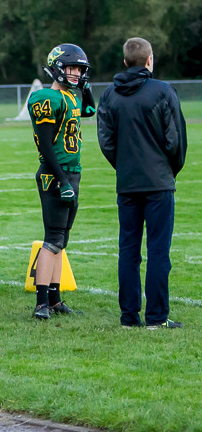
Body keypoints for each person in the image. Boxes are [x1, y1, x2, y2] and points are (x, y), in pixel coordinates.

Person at [97, 37, 187, 329]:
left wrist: (124, 166)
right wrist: (168, 170)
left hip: (128, 183)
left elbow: (106, 142)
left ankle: (129, 317)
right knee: (159, 251)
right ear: (150, 60)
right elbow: (176, 140)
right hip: (158, 182)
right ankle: (157, 317)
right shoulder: (163, 90)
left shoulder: (109, 95)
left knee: (129, 251)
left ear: (125, 62)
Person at [27, 43, 95, 320]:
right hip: (55, 173)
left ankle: (54, 300)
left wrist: (87, 89)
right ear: (56, 68)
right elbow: (45, 145)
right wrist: (62, 180)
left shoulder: (70, 97)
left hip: (71, 172)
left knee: (61, 240)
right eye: (71, 68)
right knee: (52, 239)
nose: (76, 73)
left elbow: (90, 111)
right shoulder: (47, 97)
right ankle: (42, 302)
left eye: (79, 69)